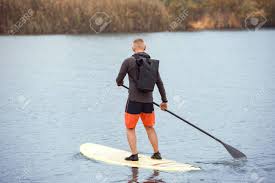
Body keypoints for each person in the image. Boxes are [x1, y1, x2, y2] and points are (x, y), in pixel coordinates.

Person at [116, 38, 168, 161]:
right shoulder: (152, 63)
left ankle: (134, 155)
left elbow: (119, 79)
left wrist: (119, 83)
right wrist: (164, 101)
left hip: (134, 101)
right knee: (149, 127)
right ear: (145, 48)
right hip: (149, 102)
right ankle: (157, 153)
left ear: (133, 48)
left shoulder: (128, 61)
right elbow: (159, 83)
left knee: (130, 128)